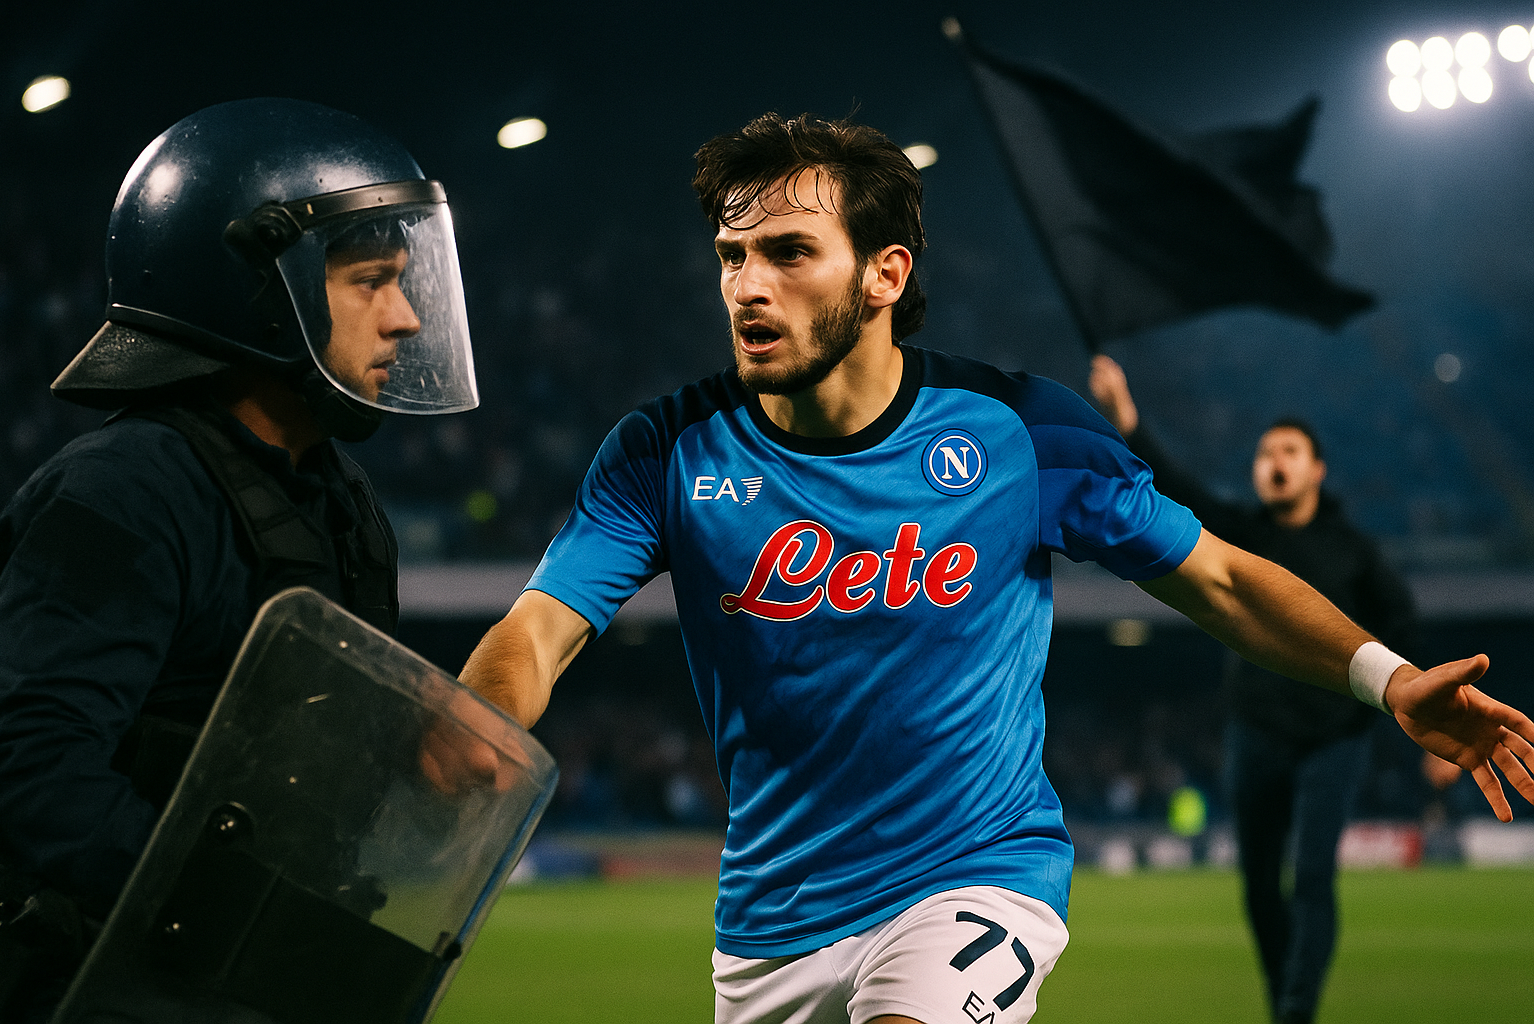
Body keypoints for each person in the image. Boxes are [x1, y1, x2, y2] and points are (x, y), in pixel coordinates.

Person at [455, 112, 1534, 1024]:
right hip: (768, 929)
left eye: (789, 252)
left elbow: (1220, 580)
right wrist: (477, 723)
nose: (748, 285)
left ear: (885, 274)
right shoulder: (666, 450)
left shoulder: (1021, 431)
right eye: (733, 255)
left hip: (973, 881)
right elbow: (538, 630)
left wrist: (1389, 679)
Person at [0, 98, 479, 1022]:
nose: (408, 318)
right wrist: (240, 919)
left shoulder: (339, 500)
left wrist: (408, 741)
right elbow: (31, 764)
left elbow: (274, 743)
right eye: (370, 282)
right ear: (261, 296)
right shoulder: (122, 494)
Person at [1088, 354, 1414, 1024]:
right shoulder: (1242, 535)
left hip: (1334, 736)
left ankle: (1297, 1011)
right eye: (1266, 452)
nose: (1274, 461)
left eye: (1289, 451)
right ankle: (1281, 1005)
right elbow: (1177, 487)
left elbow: (1402, 623)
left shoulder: (1354, 551)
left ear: (1317, 470)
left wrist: (1393, 711)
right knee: (1260, 886)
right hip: (1256, 729)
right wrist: (1128, 421)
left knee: (1314, 876)